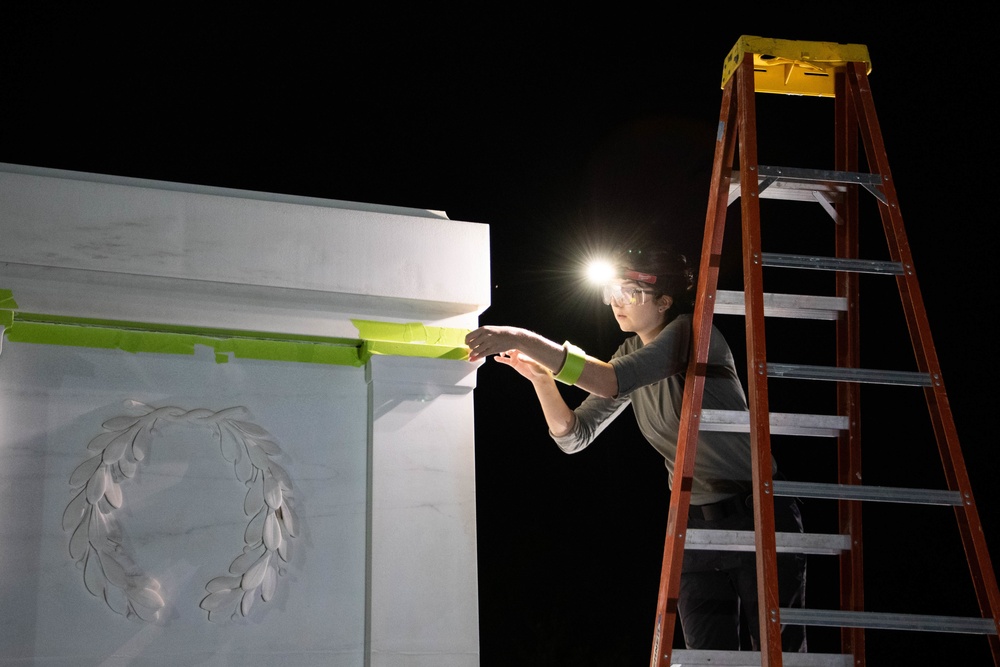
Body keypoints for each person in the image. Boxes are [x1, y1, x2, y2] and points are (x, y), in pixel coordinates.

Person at [465, 244, 806, 652]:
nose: (616, 303)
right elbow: (575, 435)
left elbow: (610, 380)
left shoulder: (690, 333)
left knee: (778, 654)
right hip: (696, 527)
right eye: (610, 292)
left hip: (758, 513)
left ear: (664, 301)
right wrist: (542, 381)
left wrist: (521, 337)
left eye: (629, 293)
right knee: (709, 658)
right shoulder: (629, 354)